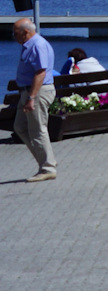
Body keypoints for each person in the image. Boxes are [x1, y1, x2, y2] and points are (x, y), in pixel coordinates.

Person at [12, 18, 57, 182]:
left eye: (15, 33)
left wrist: (31, 97)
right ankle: (47, 158)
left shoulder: (37, 45)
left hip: (37, 92)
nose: (14, 36)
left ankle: (47, 168)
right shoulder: (28, 46)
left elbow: (41, 73)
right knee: (20, 126)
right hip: (27, 92)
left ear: (25, 32)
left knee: (38, 130)